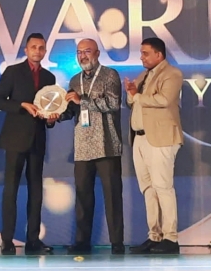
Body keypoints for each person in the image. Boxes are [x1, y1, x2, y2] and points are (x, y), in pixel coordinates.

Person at [0, 33, 57, 255]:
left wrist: (51, 119)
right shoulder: (13, 72)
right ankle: (7, 240)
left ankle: (33, 240)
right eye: (33, 47)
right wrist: (21, 105)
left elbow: (49, 109)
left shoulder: (49, 77)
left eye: (41, 48)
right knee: (10, 190)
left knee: (36, 191)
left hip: (37, 139)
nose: (37, 51)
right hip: (14, 138)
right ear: (26, 49)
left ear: (45, 51)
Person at [60, 38, 125, 254]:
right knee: (83, 196)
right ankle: (82, 242)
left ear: (97, 53)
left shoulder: (110, 75)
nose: (83, 56)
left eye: (87, 51)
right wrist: (55, 116)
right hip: (83, 145)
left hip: (107, 144)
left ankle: (116, 242)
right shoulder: (74, 80)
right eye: (79, 52)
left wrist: (83, 101)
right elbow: (71, 110)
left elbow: (113, 104)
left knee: (112, 195)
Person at [124, 37, 183, 255]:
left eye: (145, 53)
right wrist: (131, 93)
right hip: (140, 138)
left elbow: (164, 100)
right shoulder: (143, 76)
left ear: (159, 54)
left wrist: (137, 95)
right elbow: (132, 102)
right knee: (148, 189)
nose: (142, 57)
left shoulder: (172, 74)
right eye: (141, 53)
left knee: (163, 187)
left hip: (161, 138)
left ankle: (171, 238)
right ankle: (154, 236)